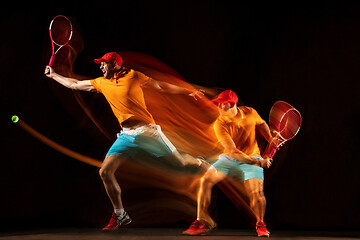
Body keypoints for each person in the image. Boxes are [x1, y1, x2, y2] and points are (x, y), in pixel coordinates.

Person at [44, 52, 204, 230]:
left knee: (181, 162)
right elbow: (75, 84)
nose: (100, 67)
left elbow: (160, 86)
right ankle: (120, 215)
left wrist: (188, 91)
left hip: (148, 131)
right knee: (105, 172)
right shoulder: (102, 83)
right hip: (127, 135)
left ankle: (200, 162)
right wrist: (55, 75)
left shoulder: (133, 75)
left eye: (103, 64)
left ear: (114, 64)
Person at [182, 90, 274, 237]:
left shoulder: (250, 113)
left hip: (252, 157)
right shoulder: (219, 123)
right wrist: (259, 163)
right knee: (205, 180)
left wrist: (270, 138)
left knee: (256, 192)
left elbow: (262, 123)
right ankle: (201, 222)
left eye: (221, 104)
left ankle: (260, 224)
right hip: (230, 158)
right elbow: (233, 152)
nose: (217, 107)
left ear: (231, 104)